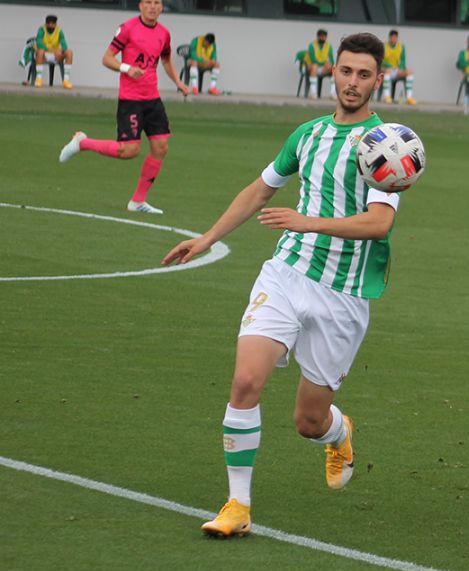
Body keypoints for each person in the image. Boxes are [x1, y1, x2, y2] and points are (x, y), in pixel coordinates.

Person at [162, 32, 402, 538]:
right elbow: (260, 189)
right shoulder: (308, 134)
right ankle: (237, 505)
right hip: (287, 274)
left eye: (364, 74)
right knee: (246, 382)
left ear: (379, 80)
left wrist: (308, 220)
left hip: (344, 294)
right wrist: (206, 238)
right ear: (331, 72)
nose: (352, 82)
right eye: (345, 71)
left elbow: (378, 223)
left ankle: (339, 433)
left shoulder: (388, 144)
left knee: (308, 421)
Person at [57, 0, 189, 215]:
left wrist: (178, 82)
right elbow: (107, 58)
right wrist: (127, 68)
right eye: (148, 2)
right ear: (140, 6)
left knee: (161, 147)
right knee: (129, 150)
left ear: (161, 7)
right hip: (131, 100)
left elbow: (165, 60)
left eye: (157, 3)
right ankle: (83, 143)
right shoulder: (127, 29)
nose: (153, 7)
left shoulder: (164, 34)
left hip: (152, 99)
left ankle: (138, 201)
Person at [34, 15, 73, 89]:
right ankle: (39, 79)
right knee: (40, 51)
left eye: (52, 24)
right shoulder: (41, 30)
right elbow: (39, 43)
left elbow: (64, 44)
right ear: (45, 23)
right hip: (42, 55)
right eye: (48, 23)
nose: (50, 25)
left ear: (55, 24)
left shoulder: (59, 31)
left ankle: (66, 80)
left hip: (55, 56)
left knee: (69, 52)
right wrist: (54, 50)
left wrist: (62, 51)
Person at [381, 29, 416, 105]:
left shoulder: (401, 47)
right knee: (387, 72)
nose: (394, 39)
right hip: (385, 70)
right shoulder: (384, 46)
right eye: (392, 37)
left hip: (396, 71)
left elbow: (403, 60)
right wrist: (388, 66)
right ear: (389, 38)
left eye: (395, 38)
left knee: (409, 72)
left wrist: (401, 68)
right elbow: (380, 60)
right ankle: (387, 97)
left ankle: (409, 98)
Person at [303, 29, 336, 100]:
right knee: (314, 66)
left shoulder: (328, 46)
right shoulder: (312, 45)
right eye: (321, 36)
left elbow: (331, 58)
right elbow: (313, 60)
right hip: (310, 67)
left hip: (323, 68)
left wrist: (331, 65)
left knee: (333, 68)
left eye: (324, 36)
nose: (322, 38)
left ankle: (333, 93)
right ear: (317, 37)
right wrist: (324, 63)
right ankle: (313, 93)